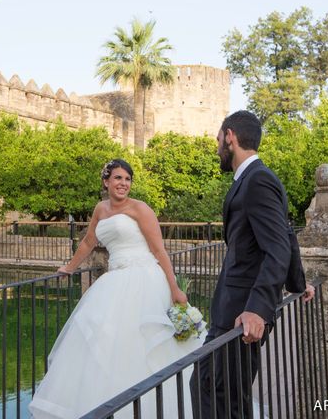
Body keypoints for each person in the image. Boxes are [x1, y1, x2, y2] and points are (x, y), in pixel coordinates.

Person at [29, 159, 204, 419]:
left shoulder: (140, 209)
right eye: (118, 178)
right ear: (106, 181)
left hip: (145, 279)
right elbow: (89, 241)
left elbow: (159, 251)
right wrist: (70, 267)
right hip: (114, 281)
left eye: (127, 179)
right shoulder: (100, 209)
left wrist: (176, 289)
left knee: (145, 344)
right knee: (106, 342)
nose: (123, 184)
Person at [189, 110, 315, 418]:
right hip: (229, 307)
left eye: (219, 139)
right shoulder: (249, 179)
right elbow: (284, 235)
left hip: (242, 314)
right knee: (205, 384)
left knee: (228, 399)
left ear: (230, 136)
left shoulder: (257, 179)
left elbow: (279, 245)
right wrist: (298, 283)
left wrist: (258, 309)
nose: (217, 146)